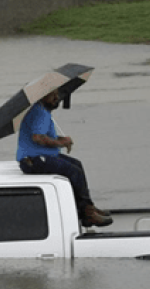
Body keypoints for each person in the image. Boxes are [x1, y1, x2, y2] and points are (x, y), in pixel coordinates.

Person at [16, 90, 113, 227]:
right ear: (42, 96)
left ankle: (87, 207)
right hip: (33, 160)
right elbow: (38, 138)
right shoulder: (40, 113)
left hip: (41, 156)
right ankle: (87, 213)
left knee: (77, 165)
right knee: (73, 171)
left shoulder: (41, 111)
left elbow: (44, 136)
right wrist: (61, 143)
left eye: (58, 94)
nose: (57, 98)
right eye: (52, 95)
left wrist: (62, 139)